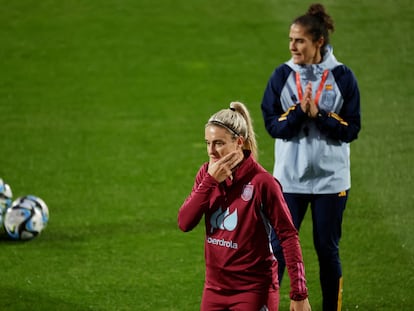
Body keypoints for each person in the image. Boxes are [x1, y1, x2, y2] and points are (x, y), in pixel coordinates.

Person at [260, 3, 361, 311]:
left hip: (331, 181)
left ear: (319, 41)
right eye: (291, 39)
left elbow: (352, 128)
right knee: (277, 248)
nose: (293, 46)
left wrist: (322, 116)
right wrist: (299, 114)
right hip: (289, 179)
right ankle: (269, 307)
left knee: (327, 250)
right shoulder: (282, 76)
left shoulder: (342, 77)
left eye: (300, 40)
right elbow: (271, 124)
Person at [178, 101, 311, 311]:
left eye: (219, 143)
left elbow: (288, 236)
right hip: (214, 289)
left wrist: (299, 293)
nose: (211, 151)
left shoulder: (262, 183)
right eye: (208, 143)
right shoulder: (206, 175)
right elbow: (184, 222)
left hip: (254, 291)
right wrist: (210, 182)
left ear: (239, 142)